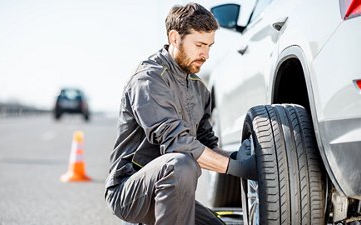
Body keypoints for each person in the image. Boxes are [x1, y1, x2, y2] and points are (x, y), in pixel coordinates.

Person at [105, 3, 257, 225]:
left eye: (210, 46)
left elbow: (206, 147)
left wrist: (238, 158)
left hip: (172, 189)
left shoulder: (199, 89)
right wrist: (235, 168)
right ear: (175, 38)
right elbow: (176, 143)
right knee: (180, 163)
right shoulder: (149, 79)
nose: (206, 54)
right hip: (131, 192)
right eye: (199, 45)